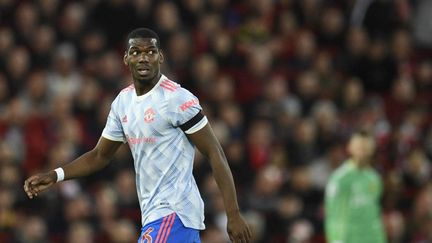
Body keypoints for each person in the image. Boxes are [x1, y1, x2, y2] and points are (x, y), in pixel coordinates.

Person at [24, 28, 251, 243]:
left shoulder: (177, 99)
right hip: (155, 216)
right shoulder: (123, 102)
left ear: (160, 57)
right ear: (126, 59)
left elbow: (215, 152)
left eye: (150, 52)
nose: (143, 58)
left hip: (174, 212)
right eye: (136, 52)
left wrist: (233, 213)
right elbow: (99, 156)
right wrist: (55, 175)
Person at [324, 130, 387, 243]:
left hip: (371, 238)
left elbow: (375, 213)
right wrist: (335, 240)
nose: (362, 151)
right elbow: (332, 213)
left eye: (366, 147)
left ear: (372, 149)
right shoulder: (340, 178)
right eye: (359, 147)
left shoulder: (374, 178)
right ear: (350, 147)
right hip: (348, 238)